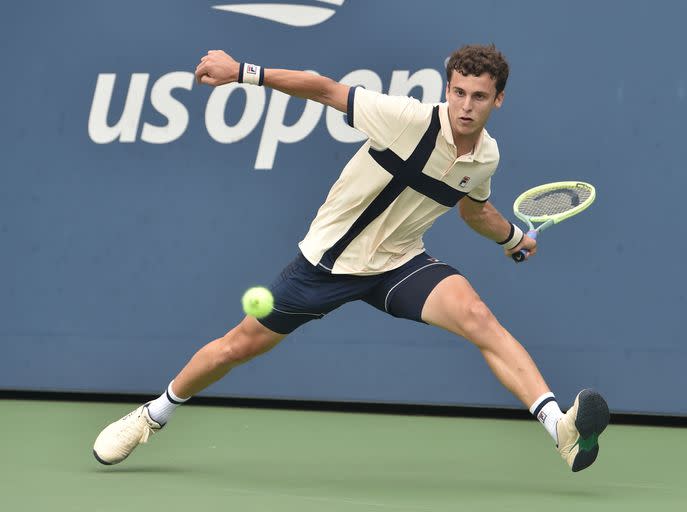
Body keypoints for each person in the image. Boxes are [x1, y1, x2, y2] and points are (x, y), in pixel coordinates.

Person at [93, 45, 608, 472]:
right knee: (236, 348)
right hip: (325, 266)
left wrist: (511, 239)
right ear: (445, 89)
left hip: (401, 265)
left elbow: (475, 211)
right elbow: (321, 87)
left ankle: (559, 429)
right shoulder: (404, 120)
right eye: (457, 92)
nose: (465, 105)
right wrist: (241, 73)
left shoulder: (487, 155)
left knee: (478, 318)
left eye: (478, 96)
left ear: (499, 100)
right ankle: (151, 416)